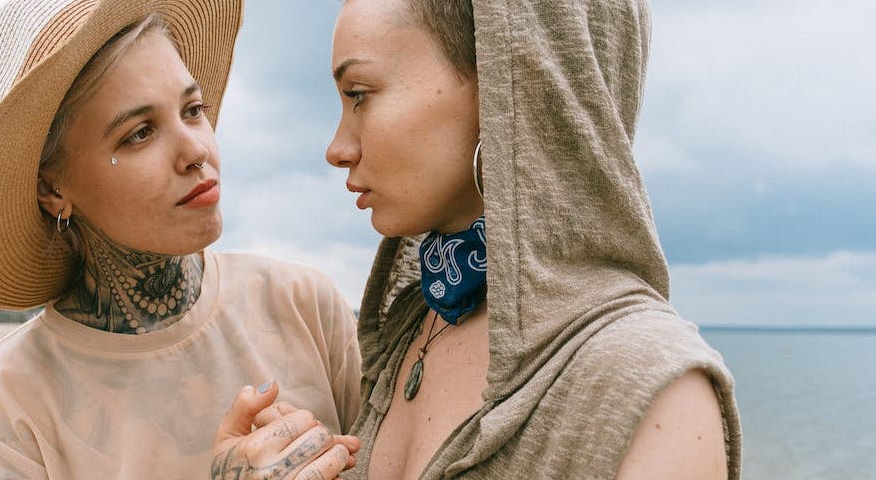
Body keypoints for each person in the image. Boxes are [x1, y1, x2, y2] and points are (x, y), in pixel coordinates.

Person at [221, 0, 742, 478]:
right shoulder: (410, 328)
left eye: (358, 94)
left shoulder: (654, 389)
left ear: (510, 81)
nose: (337, 148)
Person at [0, 0, 361, 478]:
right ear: (52, 189)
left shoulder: (304, 306)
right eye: (139, 134)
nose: (196, 149)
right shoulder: (2, 402)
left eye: (193, 109)